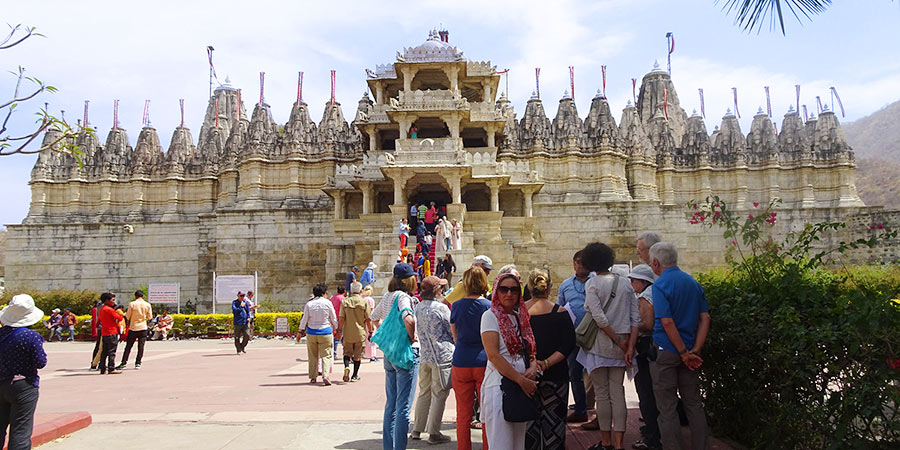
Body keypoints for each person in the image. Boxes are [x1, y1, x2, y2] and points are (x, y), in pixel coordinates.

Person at [649, 242, 710, 450]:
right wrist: (695, 350)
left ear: (656, 263)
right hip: (691, 351)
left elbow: (666, 321)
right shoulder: (692, 283)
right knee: (693, 404)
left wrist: (683, 352)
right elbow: (705, 318)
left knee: (667, 408)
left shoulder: (660, 285)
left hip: (667, 350)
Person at [577, 242, 639, 450]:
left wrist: (617, 340)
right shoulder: (625, 283)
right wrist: (629, 345)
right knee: (618, 392)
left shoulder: (592, 284)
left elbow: (599, 317)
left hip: (600, 344)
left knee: (602, 394)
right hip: (622, 345)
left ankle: (606, 442)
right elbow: (635, 318)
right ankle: (620, 443)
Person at [481, 271, 537, 450]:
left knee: (518, 443)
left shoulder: (521, 317)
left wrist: (534, 365)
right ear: (496, 291)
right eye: (504, 289)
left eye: (514, 290)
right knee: (501, 443)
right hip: (500, 386)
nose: (509, 294)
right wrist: (521, 380)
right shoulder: (490, 316)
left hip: (520, 386)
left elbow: (529, 349)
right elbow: (493, 355)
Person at [525, 268, 576, 450]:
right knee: (554, 426)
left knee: (528, 428)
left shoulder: (520, 313)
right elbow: (568, 344)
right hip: (556, 375)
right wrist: (545, 364)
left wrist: (533, 362)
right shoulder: (561, 312)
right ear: (549, 288)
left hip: (526, 376)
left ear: (529, 287)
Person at [371, 263, 419, 450]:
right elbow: (409, 318)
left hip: (390, 354)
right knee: (403, 407)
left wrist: (384, 331)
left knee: (391, 404)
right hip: (406, 353)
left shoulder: (387, 296)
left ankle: (388, 446)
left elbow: (374, 317)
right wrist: (411, 335)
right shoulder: (404, 297)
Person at [450, 265, 492, 450]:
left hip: (461, 360)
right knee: (486, 412)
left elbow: (456, 336)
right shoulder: (488, 306)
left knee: (463, 413)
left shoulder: (457, 305)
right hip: (483, 361)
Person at [0, 294, 47, 450]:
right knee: (20, 431)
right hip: (23, 386)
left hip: (1, 384)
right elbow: (41, 362)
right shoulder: (31, 336)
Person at [410, 276, 453, 445]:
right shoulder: (441, 308)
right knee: (439, 394)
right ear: (436, 290)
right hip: (441, 356)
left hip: (425, 355)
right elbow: (451, 330)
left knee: (424, 392)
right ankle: (434, 432)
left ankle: (417, 429)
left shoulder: (418, 307)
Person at [557, 250, 594, 423]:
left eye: (583, 262)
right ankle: (581, 409)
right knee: (574, 373)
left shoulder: (597, 282)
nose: (580, 265)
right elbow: (560, 307)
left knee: (598, 373)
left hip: (595, 335)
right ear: (573, 263)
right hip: (573, 336)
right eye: (577, 262)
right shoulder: (565, 285)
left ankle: (598, 411)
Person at [628, 264, 661, 450]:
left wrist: (631, 325)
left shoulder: (645, 297)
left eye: (633, 280)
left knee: (646, 393)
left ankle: (652, 436)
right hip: (656, 348)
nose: (632, 284)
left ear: (642, 282)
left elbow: (647, 324)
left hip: (646, 349)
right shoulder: (656, 292)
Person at [299, 283, 339, 386]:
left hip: (312, 332)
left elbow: (304, 319)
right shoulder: (328, 303)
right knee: (326, 355)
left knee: (313, 356)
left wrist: (300, 331)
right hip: (325, 331)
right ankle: (325, 375)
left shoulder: (309, 304)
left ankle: (313, 377)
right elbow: (333, 318)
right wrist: (337, 328)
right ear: (324, 293)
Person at [338, 281, 372, 382]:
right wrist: (370, 332)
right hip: (360, 332)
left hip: (348, 332)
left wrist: (339, 330)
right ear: (361, 291)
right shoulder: (364, 303)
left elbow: (341, 318)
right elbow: (368, 319)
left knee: (347, 353)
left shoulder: (345, 302)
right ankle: (354, 375)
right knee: (358, 355)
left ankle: (347, 366)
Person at [117, 290, 153, 370]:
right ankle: (138, 363)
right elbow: (150, 317)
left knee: (128, 346)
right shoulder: (147, 305)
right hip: (143, 327)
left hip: (133, 327)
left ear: (135, 296)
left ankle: (124, 363)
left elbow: (128, 316)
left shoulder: (132, 304)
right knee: (141, 346)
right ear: (142, 296)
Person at [97, 292, 124, 375]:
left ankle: (102, 368)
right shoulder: (109, 310)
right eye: (112, 300)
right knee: (112, 351)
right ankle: (111, 368)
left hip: (105, 332)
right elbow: (119, 317)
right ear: (107, 300)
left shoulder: (101, 309)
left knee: (104, 351)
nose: (114, 302)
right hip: (112, 332)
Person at [361, 285, 379, 362]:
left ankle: (366, 354)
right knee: (372, 337)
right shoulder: (370, 300)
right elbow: (371, 311)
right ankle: (372, 355)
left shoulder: (362, 299)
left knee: (365, 338)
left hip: (363, 320)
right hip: (370, 320)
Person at [330, 287, 347, 358]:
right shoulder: (343, 299)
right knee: (343, 336)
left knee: (335, 336)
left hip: (333, 318)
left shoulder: (332, 298)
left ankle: (334, 352)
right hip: (340, 318)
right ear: (344, 291)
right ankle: (346, 352)